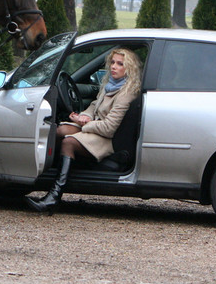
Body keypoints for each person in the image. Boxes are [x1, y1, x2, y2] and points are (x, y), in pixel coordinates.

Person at [26, 48, 143, 212]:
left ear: (129, 68)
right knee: (59, 130)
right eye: (112, 62)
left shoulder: (126, 93)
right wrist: (83, 116)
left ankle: (53, 197)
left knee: (68, 142)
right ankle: (48, 173)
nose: (114, 67)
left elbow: (109, 128)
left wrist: (84, 125)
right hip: (95, 128)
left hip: (107, 139)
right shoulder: (110, 85)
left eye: (120, 64)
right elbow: (95, 105)